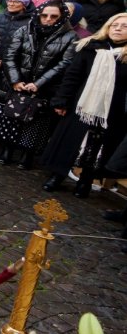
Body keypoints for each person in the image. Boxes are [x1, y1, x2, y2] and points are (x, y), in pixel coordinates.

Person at [40, 12, 127, 196]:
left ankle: (86, 181)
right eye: (115, 25)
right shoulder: (90, 47)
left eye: (124, 26)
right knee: (70, 142)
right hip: (81, 105)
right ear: (108, 27)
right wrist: (62, 100)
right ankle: (58, 175)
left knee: (98, 148)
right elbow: (72, 76)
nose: (118, 29)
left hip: (112, 111)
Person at [0, 0, 75, 168]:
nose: (48, 19)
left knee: (36, 123)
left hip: (45, 87)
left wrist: (39, 83)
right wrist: (15, 80)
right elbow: (10, 56)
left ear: (62, 17)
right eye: (44, 15)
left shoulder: (70, 36)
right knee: (11, 118)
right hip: (19, 82)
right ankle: (7, 149)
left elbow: (65, 64)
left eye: (53, 16)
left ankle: (27, 155)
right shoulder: (24, 30)